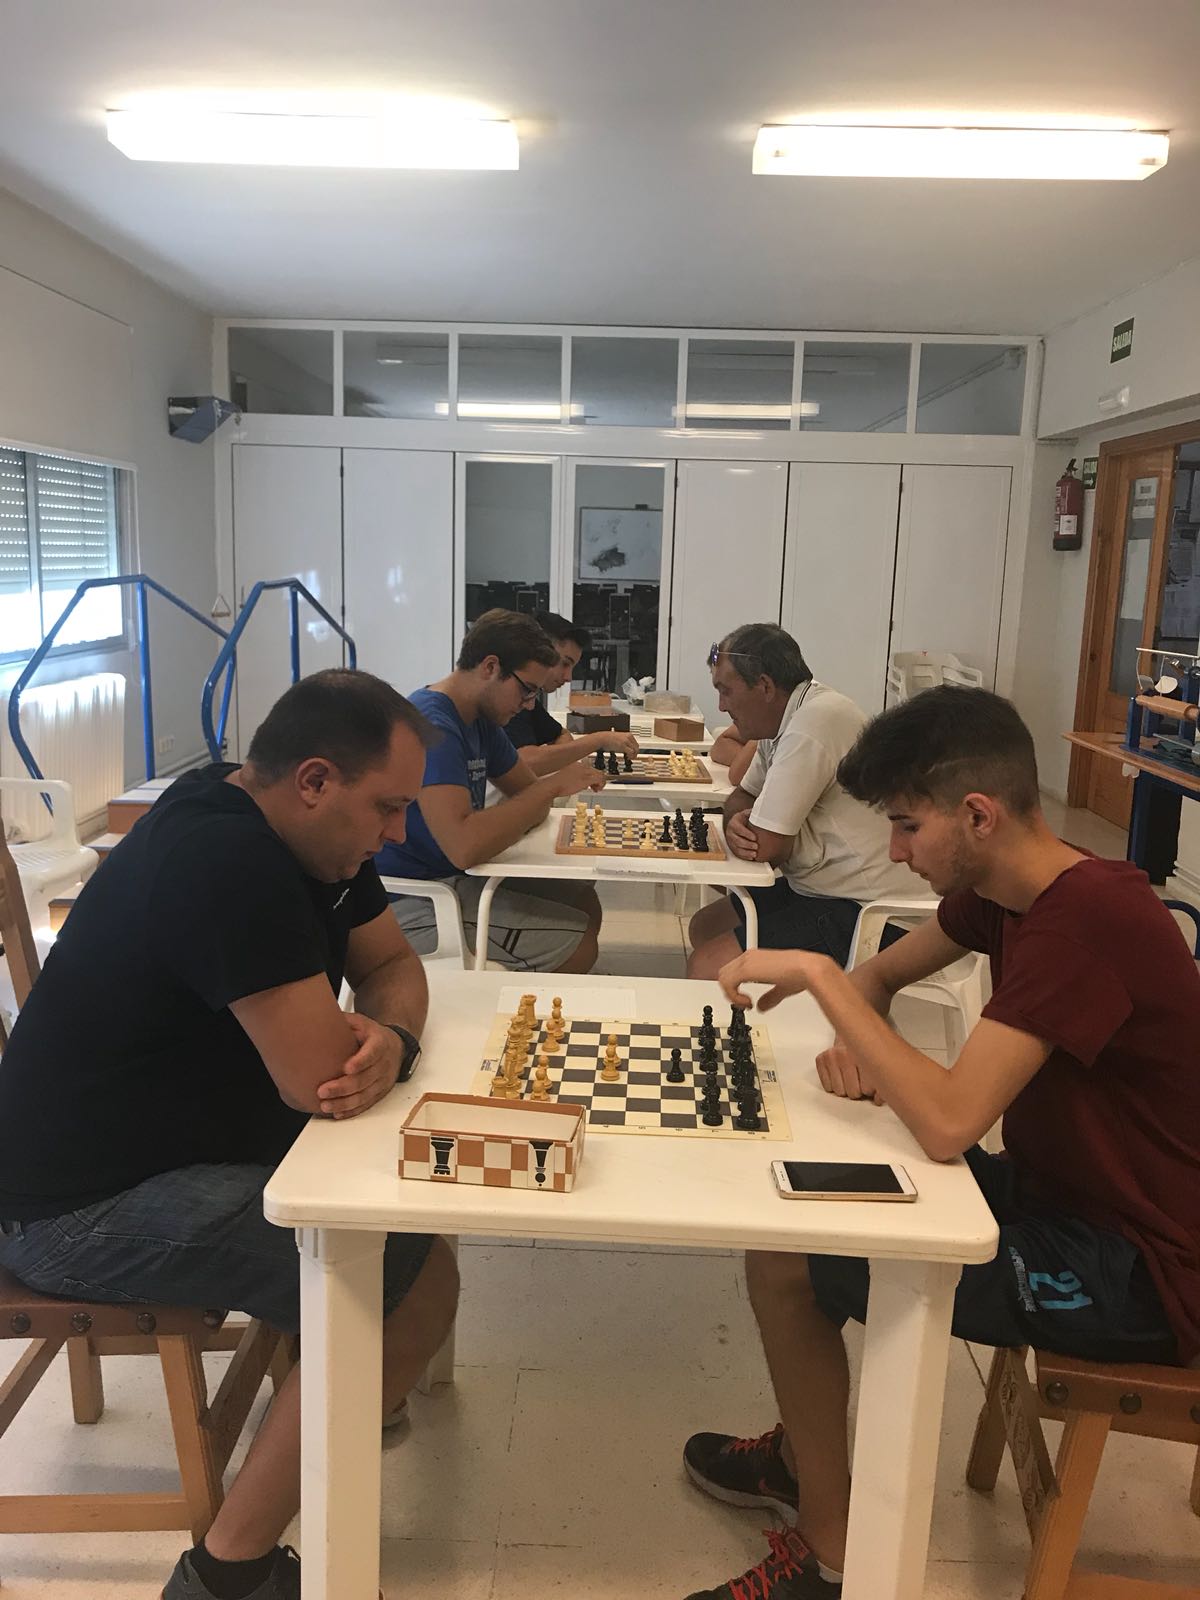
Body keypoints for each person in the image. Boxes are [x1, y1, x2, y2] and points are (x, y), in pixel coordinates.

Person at [681, 686, 1200, 1600]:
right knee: (785, 1231)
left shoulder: (1087, 921)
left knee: (802, 1262)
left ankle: (834, 1559)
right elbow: (880, 978)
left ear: (978, 815)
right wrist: (860, 1028)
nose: (894, 851)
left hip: (1141, 1268)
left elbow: (953, 1119)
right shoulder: (1009, 893)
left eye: (906, 826)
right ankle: (806, 1463)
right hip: (1056, 1198)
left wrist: (819, 977)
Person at [0, 668, 461, 1600]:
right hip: (74, 1211)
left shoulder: (288, 823)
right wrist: (371, 1050)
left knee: (393, 1236)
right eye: (388, 807)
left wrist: (395, 1038)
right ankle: (227, 1572)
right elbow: (321, 1079)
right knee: (407, 1276)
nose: (397, 833)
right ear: (316, 780)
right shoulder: (227, 861)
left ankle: (340, 1392)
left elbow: (392, 966)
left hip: (158, 1153)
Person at [377, 608, 604, 972]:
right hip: (411, 898)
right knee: (578, 946)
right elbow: (464, 847)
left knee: (583, 897)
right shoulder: (434, 724)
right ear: (490, 667)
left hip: (456, 876)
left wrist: (540, 794)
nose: (529, 704)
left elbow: (530, 798)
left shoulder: (480, 720)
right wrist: (549, 788)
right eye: (526, 689)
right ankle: (511, 1007)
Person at [687, 623, 911, 979]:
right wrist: (737, 822)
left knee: (709, 966)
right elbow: (741, 796)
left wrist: (745, 826)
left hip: (872, 909)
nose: (721, 705)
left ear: (764, 686)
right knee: (705, 926)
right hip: (822, 889)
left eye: (726, 691)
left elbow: (766, 848)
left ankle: (772, 1012)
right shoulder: (780, 720)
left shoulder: (815, 722)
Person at [505, 610, 640, 776]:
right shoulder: (508, 698)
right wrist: (598, 740)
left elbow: (561, 735)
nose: (568, 677)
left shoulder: (528, 699)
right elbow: (521, 764)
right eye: (564, 664)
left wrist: (560, 762)